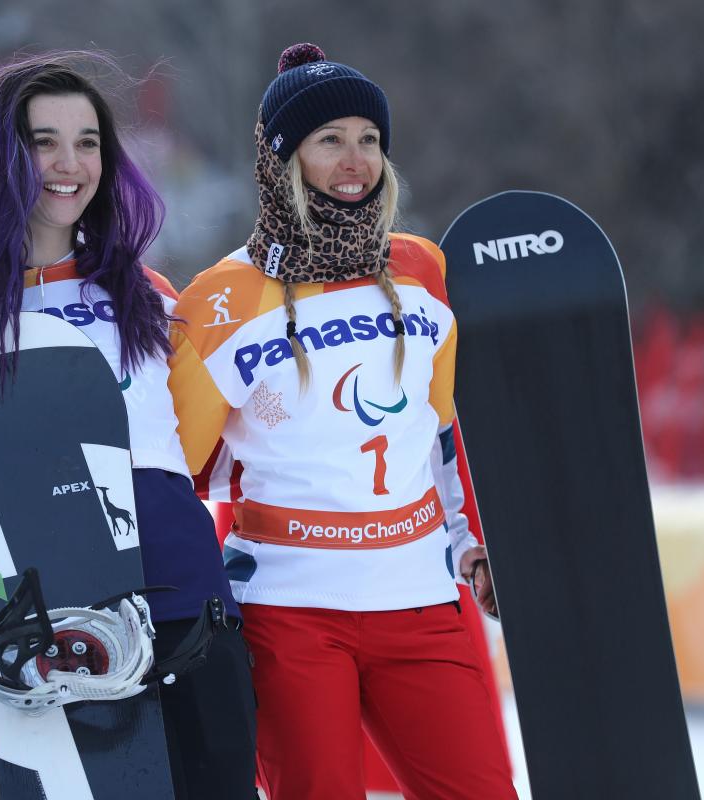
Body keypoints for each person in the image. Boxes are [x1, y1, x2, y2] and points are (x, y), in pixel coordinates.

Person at [167, 44, 516, 800]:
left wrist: (471, 544)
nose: (354, 159)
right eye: (329, 140)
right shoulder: (220, 299)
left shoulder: (422, 269)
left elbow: (441, 430)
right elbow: (182, 472)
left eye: (368, 139)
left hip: (418, 600)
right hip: (289, 611)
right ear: (284, 160)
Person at [0, 52, 257, 800]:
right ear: (0, 156)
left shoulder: (148, 298)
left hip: (179, 611)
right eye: (43, 141)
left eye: (89, 141)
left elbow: (219, 448)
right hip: (32, 628)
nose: (70, 164)